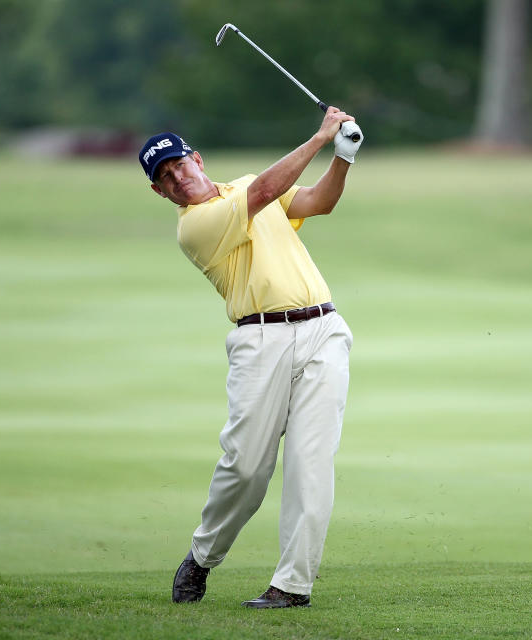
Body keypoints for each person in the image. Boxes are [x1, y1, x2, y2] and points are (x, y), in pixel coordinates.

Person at [138, 107, 363, 609]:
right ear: (160, 192)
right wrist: (321, 136)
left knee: (312, 466)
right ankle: (202, 556)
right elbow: (263, 193)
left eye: (179, 165)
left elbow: (316, 202)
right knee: (247, 468)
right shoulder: (196, 226)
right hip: (260, 341)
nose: (177, 178)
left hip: (323, 330)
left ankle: (292, 586)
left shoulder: (243, 186)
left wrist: (343, 157)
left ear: (197, 159)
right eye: (165, 178)